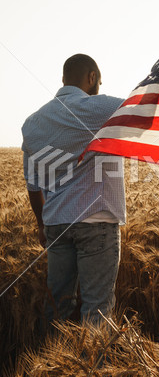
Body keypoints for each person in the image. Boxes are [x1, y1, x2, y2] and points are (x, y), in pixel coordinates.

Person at [21, 54, 126, 328]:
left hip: (56, 224)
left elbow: (33, 183)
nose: (99, 87)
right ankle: (94, 369)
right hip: (96, 222)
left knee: (57, 306)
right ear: (91, 77)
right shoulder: (98, 108)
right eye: (99, 82)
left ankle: (51, 368)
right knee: (96, 311)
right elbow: (144, 110)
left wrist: (41, 224)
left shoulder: (32, 123)